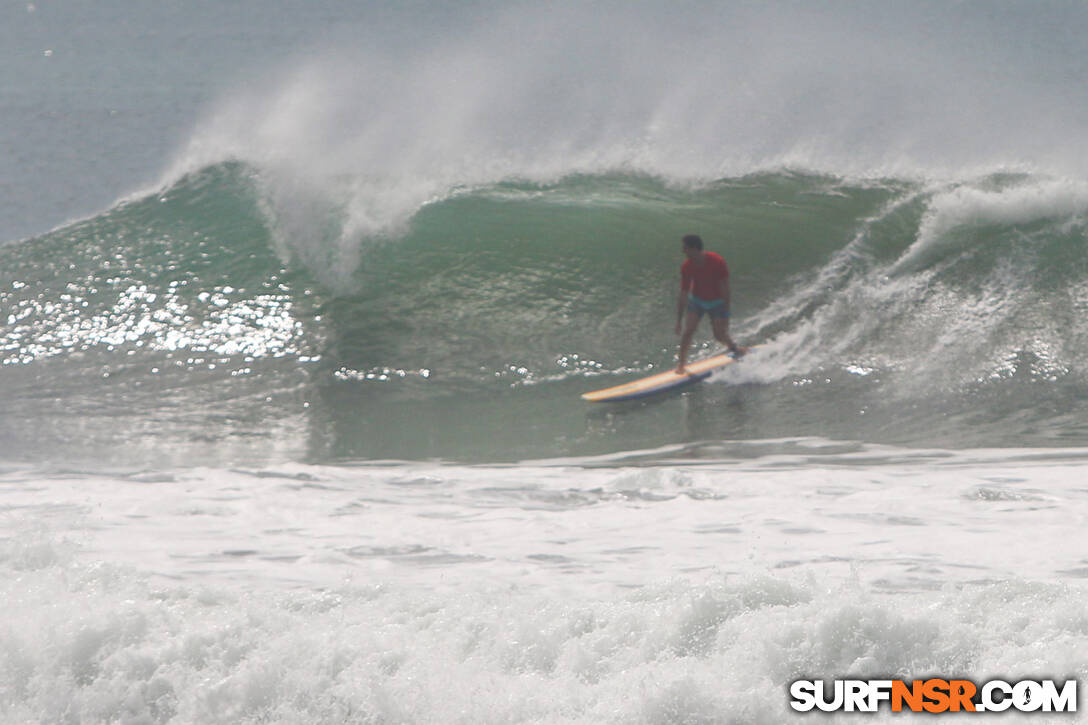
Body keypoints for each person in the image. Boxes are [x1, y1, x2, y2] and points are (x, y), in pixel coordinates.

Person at [674, 234, 746, 373]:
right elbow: (683, 293)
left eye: (685, 248)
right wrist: (678, 320)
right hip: (697, 301)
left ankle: (734, 348)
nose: (683, 251)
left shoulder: (716, 261)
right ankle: (681, 365)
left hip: (717, 302)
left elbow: (725, 287)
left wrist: (726, 311)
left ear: (694, 248)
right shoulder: (687, 266)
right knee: (688, 332)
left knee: (719, 335)